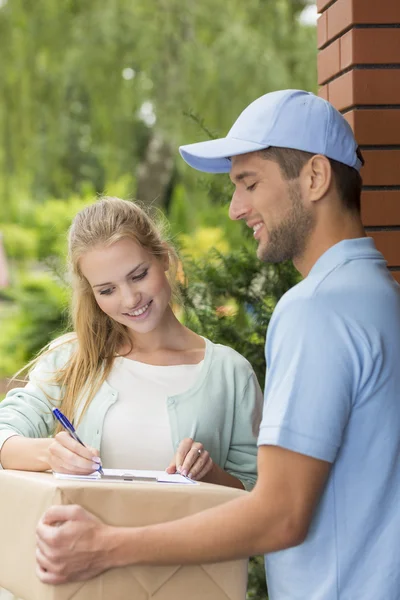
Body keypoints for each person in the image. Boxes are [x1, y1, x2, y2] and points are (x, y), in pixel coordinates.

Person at [35, 90, 400, 599]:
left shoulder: (316, 309)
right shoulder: (382, 296)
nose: (235, 208)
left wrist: (107, 545)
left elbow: (280, 514)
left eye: (249, 184)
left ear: (315, 178)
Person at [0, 197, 262, 489]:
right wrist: (51, 454)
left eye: (138, 275)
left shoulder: (231, 373)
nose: (130, 299)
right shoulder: (70, 358)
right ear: (92, 294)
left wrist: (210, 474)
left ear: (163, 257)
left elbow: (257, 492)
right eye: (107, 290)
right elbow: (4, 434)